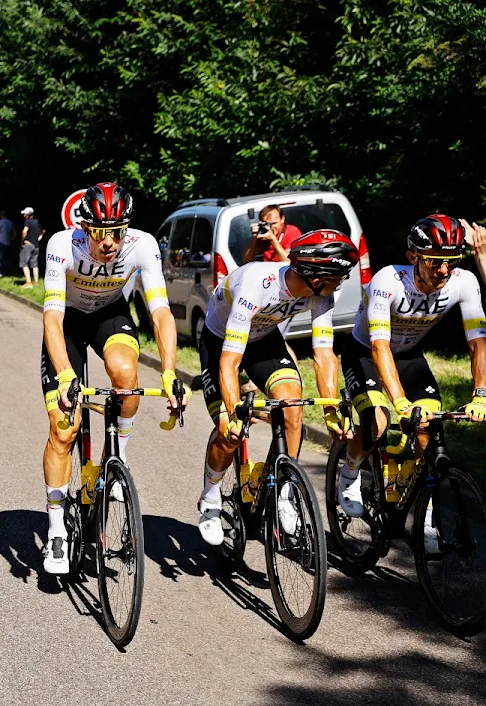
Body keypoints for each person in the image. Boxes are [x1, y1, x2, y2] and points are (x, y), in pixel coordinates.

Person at [39, 184, 187, 574]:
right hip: (68, 321)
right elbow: (52, 318)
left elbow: (160, 313)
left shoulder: (142, 245)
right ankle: (56, 530)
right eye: (101, 232)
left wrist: (170, 372)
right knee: (63, 429)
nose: (109, 242)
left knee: (126, 374)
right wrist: (67, 374)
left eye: (118, 231)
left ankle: (116, 455)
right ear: (84, 226)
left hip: (110, 313)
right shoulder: (61, 244)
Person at [336, 215, 486, 549]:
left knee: (427, 431)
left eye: (451, 261)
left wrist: (481, 394)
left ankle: (427, 517)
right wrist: (400, 402)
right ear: (413, 257)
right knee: (377, 422)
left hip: (410, 357)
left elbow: (478, 341)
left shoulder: (464, 282)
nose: (444, 271)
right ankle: (348, 473)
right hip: (365, 353)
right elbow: (379, 346)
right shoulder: (387, 281)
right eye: (435, 262)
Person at [196, 230, 354, 545]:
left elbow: (323, 354)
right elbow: (228, 362)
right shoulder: (256, 285)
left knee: (292, 406)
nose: (343, 281)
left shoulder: (322, 294)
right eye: (339, 274)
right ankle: (211, 497)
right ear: (317, 276)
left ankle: (285, 490)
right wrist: (233, 411)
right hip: (220, 342)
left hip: (264, 339)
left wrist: (330, 408)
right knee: (229, 432)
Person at [19, 206, 43, 287]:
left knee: (24, 263)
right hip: (36, 245)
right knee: (34, 264)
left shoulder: (27, 222)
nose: (24, 216)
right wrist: (38, 238)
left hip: (28, 244)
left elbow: (24, 231)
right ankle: (36, 282)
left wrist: (22, 241)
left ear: (28, 215)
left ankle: (28, 282)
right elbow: (43, 231)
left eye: (25, 214)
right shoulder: (37, 222)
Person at [0, 210, 16, 277]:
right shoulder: (10, 223)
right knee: (7, 258)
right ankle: (6, 272)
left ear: (1, 215)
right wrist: (11, 239)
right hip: (8, 242)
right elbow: (15, 234)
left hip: (1, 242)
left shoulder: (0, 222)